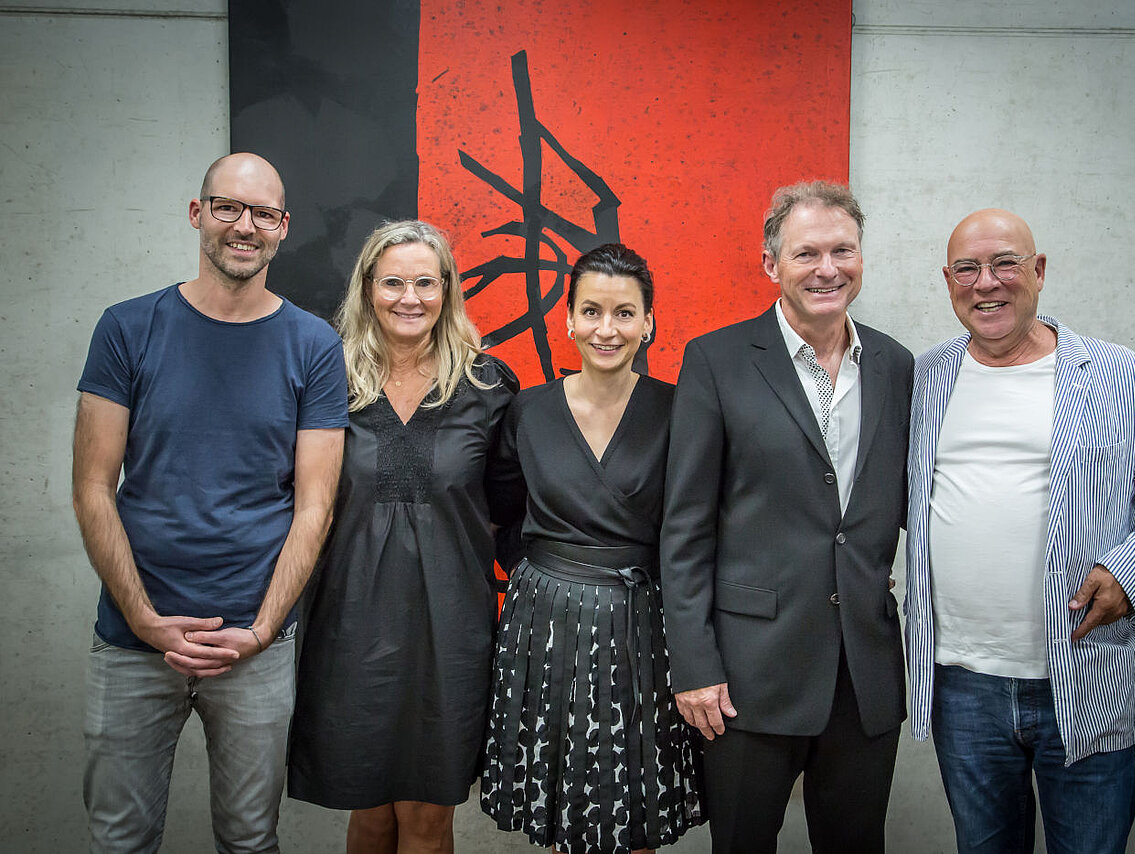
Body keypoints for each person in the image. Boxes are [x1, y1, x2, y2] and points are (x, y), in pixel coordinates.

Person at [904, 208, 1135, 854]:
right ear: (948, 280)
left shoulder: (1118, 377)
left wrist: (1129, 575)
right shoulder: (923, 378)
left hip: (1081, 672)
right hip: (961, 682)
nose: (986, 283)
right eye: (967, 269)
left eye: (1005, 264)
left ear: (1039, 271)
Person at [71, 152, 348, 853]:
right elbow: (93, 486)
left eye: (262, 214)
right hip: (134, 641)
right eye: (228, 207)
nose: (244, 226)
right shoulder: (127, 327)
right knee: (119, 841)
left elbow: (315, 507)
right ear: (198, 214)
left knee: (251, 841)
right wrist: (144, 619)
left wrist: (261, 629)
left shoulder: (314, 345)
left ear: (283, 227)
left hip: (255, 644)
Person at [661, 181, 913, 854]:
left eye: (842, 250)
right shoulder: (716, 361)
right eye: (807, 253)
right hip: (748, 675)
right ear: (771, 264)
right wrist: (693, 663)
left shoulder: (894, 364)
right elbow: (685, 527)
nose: (828, 269)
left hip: (864, 672)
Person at [287, 220, 518, 853]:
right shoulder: (327, 377)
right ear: (367, 287)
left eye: (425, 282)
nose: (409, 298)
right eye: (392, 282)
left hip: (450, 630)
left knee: (426, 820)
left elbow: (506, 510)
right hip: (349, 625)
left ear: (448, 289)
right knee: (369, 815)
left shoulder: (488, 386)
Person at [480, 243, 703, 854]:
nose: (608, 329)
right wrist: (542, 576)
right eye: (592, 311)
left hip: (643, 624)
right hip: (544, 624)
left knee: (636, 802)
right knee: (564, 802)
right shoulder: (528, 411)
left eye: (625, 313)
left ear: (648, 322)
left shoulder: (681, 409)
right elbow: (501, 507)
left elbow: (698, 523)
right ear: (569, 320)